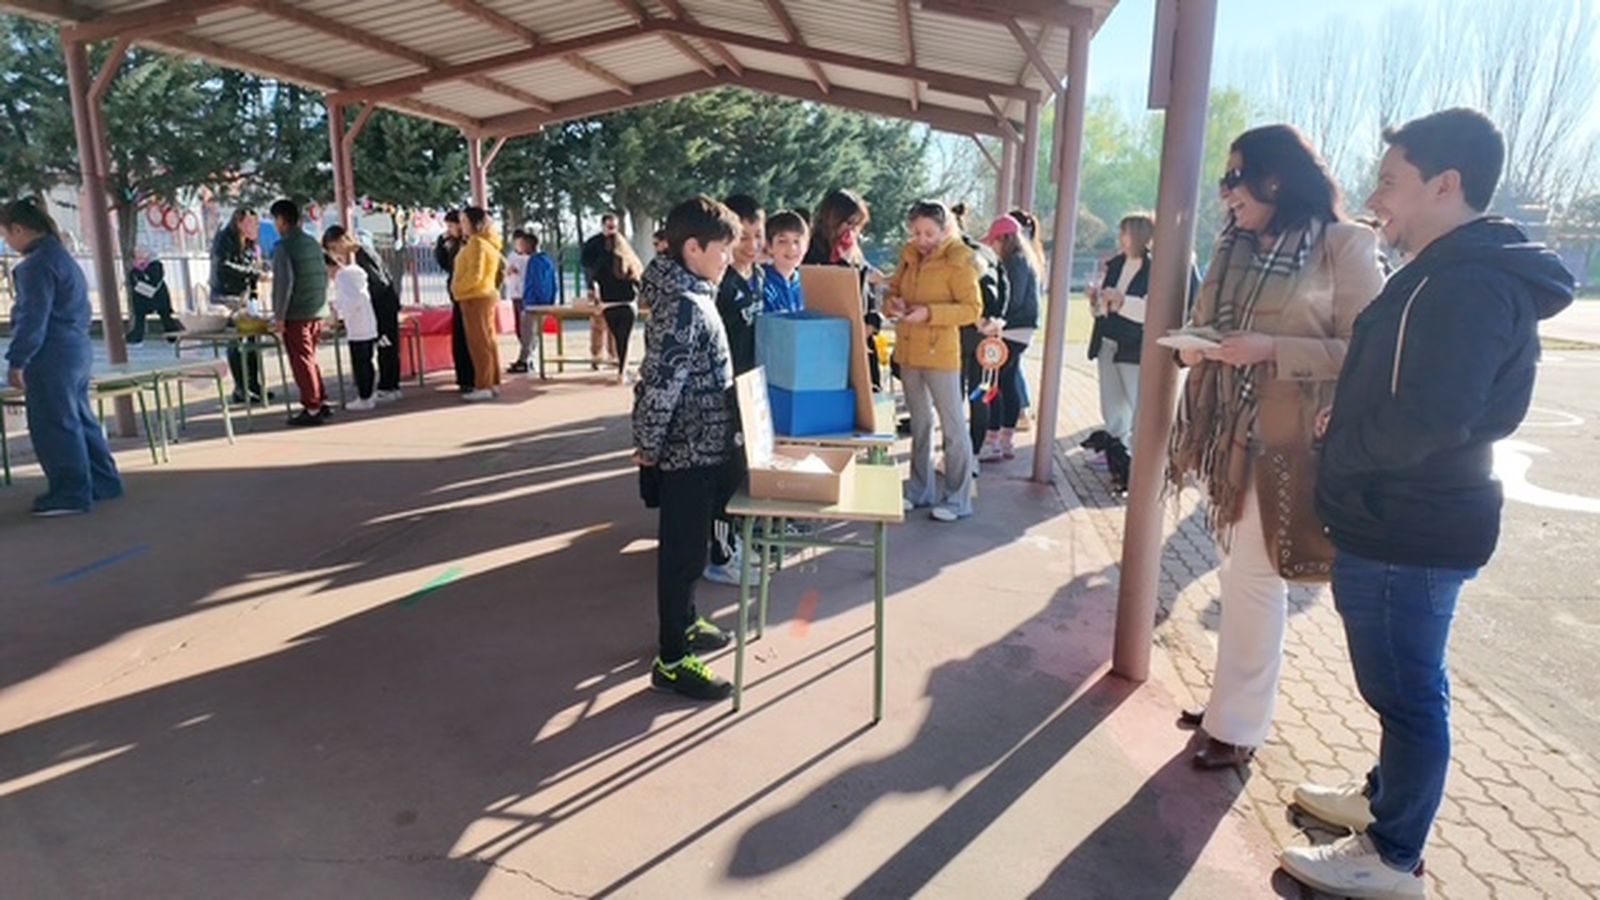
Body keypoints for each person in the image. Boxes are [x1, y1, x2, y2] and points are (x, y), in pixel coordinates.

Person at [1281, 109, 1575, 900]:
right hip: (1406, 510)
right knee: (1404, 686)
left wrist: (1350, 448)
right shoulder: (1450, 269)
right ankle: (1388, 800)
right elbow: (1423, 396)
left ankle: (1394, 853)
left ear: (1446, 184)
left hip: (1410, 520)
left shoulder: (1469, 281)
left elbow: (1435, 417)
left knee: (1408, 694)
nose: (1377, 198)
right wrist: (1351, 417)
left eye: (1390, 180)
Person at [1168, 126, 1385, 770]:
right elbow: (1212, 323)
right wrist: (1194, 345)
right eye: (1224, 180)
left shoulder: (1345, 245)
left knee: (1257, 580)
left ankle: (1238, 726)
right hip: (1227, 435)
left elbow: (1366, 353)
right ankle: (1226, 707)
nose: (1226, 193)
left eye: (1236, 178)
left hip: (1288, 440)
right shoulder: (1232, 247)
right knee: (1237, 572)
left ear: (1276, 179)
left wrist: (1273, 351)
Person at [633, 195, 743, 701]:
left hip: (704, 446)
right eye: (723, 249)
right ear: (693, 248)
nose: (729, 258)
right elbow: (660, 385)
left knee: (693, 549)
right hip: (685, 451)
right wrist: (648, 449)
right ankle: (672, 658)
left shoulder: (695, 294)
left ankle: (688, 620)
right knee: (680, 555)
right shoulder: (683, 306)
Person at [2, 198, 122, 516]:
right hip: (76, 349)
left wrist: (17, 360)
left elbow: (32, 318)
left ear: (18, 229)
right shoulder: (62, 257)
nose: (6, 242)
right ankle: (103, 482)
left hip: (49, 353)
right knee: (80, 418)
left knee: (54, 423)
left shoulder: (34, 266)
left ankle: (70, 492)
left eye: (5, 235)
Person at [888, 201, 983, 522]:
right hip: (909, 351)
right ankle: (920, 490)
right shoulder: (908, 255)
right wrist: (895, 304)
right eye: (916, 233)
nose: (922, 239)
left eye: (929, 233)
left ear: (945, 230)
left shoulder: (959, 260)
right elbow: (894, 290)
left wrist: (930, 313)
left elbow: (972, 309)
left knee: (953, 426)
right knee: (920, 424)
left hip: (942, 354)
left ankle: (958, 498)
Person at [704, 193, 765, 587]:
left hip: (751, 390)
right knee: (725, 476)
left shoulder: (757, 278)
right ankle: (719, 555)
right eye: (743, 237)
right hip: (724, 395)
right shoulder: (720, 286)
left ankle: (736, 542)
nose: (752, 245)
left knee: (743, 471)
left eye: (758, 235)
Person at [1086, 214, 1156, 458]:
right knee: (1111, 401)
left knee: (1136, 400)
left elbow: (1151, 311)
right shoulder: (1115, 264)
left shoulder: (1153, 268)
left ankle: (1138, 456)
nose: (1121, 238)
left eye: (1124, 232)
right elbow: (1102, 310)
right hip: (1107, 340)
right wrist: (1097, 300)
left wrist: (1122, 301)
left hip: (1133, 345)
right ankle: (1115, 453)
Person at [977, 214, 1041, 464]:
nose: (992, 247)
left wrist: (991, 319)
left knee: (993, 383)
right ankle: (1005, 439)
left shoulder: (1013, 263)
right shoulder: (1027, 260)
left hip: (1009, 329)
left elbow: (1010, 300)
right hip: (1022, 330)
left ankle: (992, 440)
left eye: (994, 241)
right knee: (1008, 382)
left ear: (1003, 239)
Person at [805, 189, 883, 389]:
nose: (853, 232)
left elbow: (867, 295)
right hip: (829, 346)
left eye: (857, 226)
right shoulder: (812, 252)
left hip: (862, 342)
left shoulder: (855, 252)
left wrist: (873, 322)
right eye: (848, 224)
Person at [951, 202, 1008, 459]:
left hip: (961, 331)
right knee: (980, 393)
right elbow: (1004, 288)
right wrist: (996, 319)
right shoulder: (987, 251)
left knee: (955, 395)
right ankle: (973, 451)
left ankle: (959, 453)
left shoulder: (954, 255)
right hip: (987, 333)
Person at [269, 199, 332, 427]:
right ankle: (321, 400)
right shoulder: (312, 243)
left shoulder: (284, 247)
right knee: (310, 357)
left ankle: (312, 405)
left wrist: (279, 317)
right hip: (316, 309)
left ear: (281, 220)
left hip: (297, 313)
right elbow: (324, 275)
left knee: (301, 360)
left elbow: (283, 285)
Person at [323, 225, 403, 403]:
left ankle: (389, 386)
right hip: (383, 305)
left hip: (382, 307)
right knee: (386, 346)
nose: (336, 253)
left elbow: (379, 282)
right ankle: (389, 385)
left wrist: (365, 299)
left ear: (343, 239)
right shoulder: (361, 254)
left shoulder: (362, 254)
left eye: (335, 248)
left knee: (386, 346)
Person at [209, 207, 267, 403]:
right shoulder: (224, 238)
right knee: (236, 341)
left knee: (253, 340)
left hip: (247, 296)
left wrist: (255, 290)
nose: (254, 227)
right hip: (227, 295)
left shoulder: (250, 243)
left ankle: (254, 385)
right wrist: (253, 274)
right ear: (239, 222)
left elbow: (253, 267)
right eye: (251, 223)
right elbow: (223, 265)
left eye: (256, 223)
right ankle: (240, 388)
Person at [450, 207, 505, 402]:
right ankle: (492, 381)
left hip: (475, 297)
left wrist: (457, 290)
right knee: (487, 341)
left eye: (464, 221)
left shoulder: (477, 244)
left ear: (474, 223)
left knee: (479, 343)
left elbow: (475, 274)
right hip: (483, 294)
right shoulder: (486, 243)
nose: (461, 225)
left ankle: (484, 385)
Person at [326, 235, 380, 411]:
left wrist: (338, 313)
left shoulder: (343, 277)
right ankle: (368, 395)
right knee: (366, 361)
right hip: (366, 324)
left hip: (358, 326)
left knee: (361, 363)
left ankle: (365, 397)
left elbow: (352, 300)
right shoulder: (354, 273)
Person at [1009, 208, 1045, 432]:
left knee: (1011, 368)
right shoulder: (1034, 253)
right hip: (1026, 321)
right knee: (1014, 366)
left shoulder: (1019, 258)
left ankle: (1022, 409)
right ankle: (1023, 408)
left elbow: (1016, 295)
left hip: (1018, 321)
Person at [593, 231, 644, 382]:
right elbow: (638, 282)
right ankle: (622, 371)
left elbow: (595, 280)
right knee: (625, 340)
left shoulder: (601, 261)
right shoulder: (629, 259)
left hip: (609, 305)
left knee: (617, 337)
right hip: (627, 304)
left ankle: (622, 370)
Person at [434, 211, 474, 392]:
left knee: (468, 339)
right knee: (459, 338)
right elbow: (445, 266)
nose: (449, 230)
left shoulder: (470, 244)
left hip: (468, 296)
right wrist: (440, 245)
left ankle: (472, 378)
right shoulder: (453, 244)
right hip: (456, 294)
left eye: (452, 225)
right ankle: (464, 378)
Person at [515, 231, 559, 371]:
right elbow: (553, 282)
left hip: (533, 303)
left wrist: (533, 301)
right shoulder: (548, 260)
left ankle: (524, 361)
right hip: (545, 302)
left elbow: (536, 282)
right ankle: (529, 359)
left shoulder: (534, 261)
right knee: (535, 335)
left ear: (529, 245)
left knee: (527, 333)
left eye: (522, 245)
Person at [583, 213, 622, 368]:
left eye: (615, 226)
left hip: (617, 290)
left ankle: (614, 356)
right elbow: (585, 263)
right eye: (609, 226)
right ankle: (596, 356)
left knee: (615, 324)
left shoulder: (621, 242)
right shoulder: (593, 243)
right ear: (603, 226)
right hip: (598, 288)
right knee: (597, 324)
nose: (612, 229)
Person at [124, 246, 183, 343]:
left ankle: (172, 335)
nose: (139, 255)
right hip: (142, 298)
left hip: (158, 296)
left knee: (165, 316)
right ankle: (136, 336)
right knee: (139, 316)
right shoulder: (134, 269)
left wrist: (142, 281)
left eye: (142, 252)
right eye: (137, 253)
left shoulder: (155, 265)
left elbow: (155, 281)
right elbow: (133, 281)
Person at [761, 210, 808, 313]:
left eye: (797, 241)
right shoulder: (762, 283)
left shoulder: (808, 284)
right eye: (782, 241)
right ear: (769, 246)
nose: (792, 248)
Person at [503, 229, 531, 373]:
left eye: (522, 242)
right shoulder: (511, 256)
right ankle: (525, 355)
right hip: (515, 294)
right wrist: (508, 272)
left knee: (527, 328)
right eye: (517, 242)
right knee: (519, 327)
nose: (519, 245)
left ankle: (527, 357)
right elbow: (506, 275)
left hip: (525, 295)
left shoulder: (530, 258)